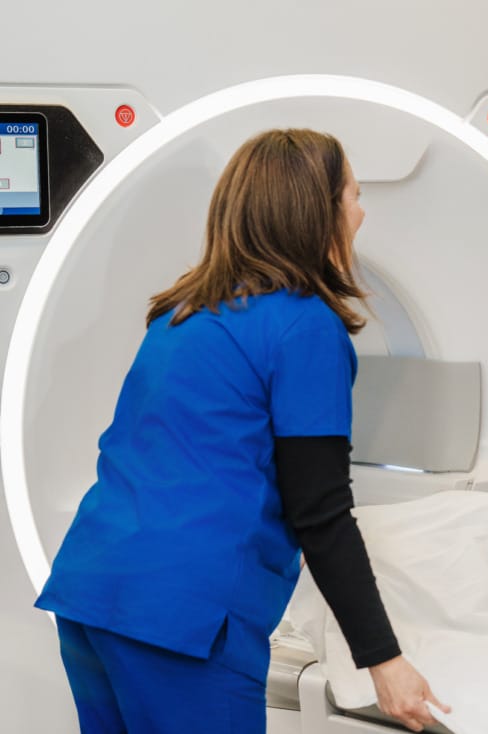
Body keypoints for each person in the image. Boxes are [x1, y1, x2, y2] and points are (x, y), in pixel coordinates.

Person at [36, 129, 449, 732]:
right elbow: (321, 509)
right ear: (320, 213)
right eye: (353, 196)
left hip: (92, 592)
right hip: (182, 621)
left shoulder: (183, 313)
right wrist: (383, 660)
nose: (362, 212)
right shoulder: (306, 328)